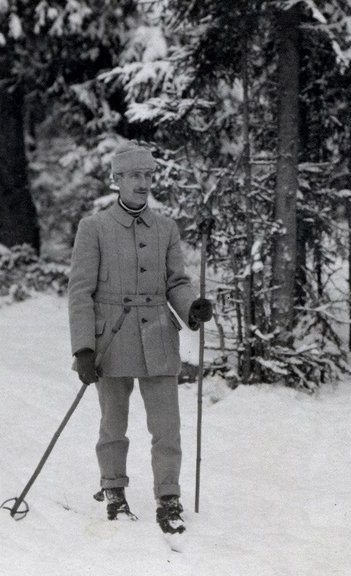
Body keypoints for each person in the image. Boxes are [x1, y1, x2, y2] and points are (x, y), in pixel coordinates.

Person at [67, 142, 213, 535]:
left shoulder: (166, 228)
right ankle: (114, 490)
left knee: (167, 425)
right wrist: (83, 347)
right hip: (111, 338)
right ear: (116, 180)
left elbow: (176, 283)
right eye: (134, 176)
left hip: (158, 335)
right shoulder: (94, 228)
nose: (143, 184)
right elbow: (80, 292)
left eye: (148, 176)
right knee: (113, 423)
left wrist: (191, 308)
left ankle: (168, 497)